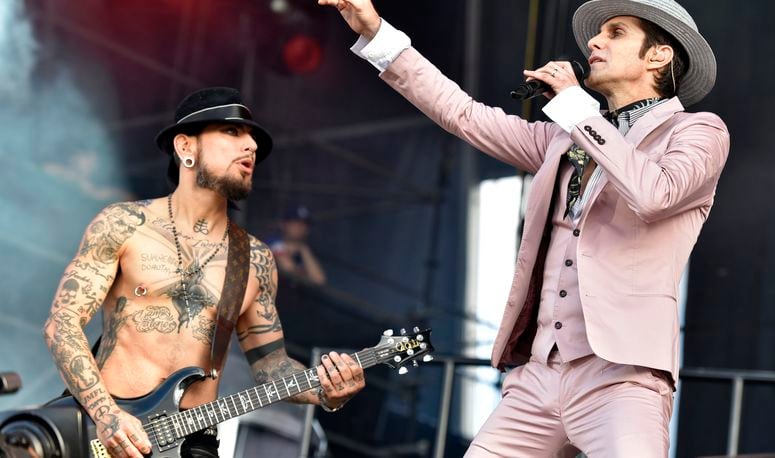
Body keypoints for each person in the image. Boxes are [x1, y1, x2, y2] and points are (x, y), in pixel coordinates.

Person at [319, 0, 729, 455]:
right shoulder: (562, 140)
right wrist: (377, 34)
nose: (594, 41)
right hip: (539, 374)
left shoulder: (697, 132)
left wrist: (576, 108)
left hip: (623, 376)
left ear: (658, 55)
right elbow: (465, 115)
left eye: (615, 33)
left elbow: (655, 193)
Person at [42, 87, 365, 458]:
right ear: (186, 147)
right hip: (106, 429)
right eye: (232, 132)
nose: (251, 146)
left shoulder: (255, 259)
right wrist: (107, 414)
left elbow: (270, 365)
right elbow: (62, 323)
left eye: (252, 138)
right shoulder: (124, 224)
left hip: (192, 443)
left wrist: (326, 390)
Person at [270, 205, 327, 285]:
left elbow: (319, 280)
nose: (301, 228)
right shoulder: (274, 242)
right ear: (284, 224)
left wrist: (303, 249)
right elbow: (288, 269)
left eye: (305, 224)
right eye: (295, 223)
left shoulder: (303, 250)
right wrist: (305, 275)